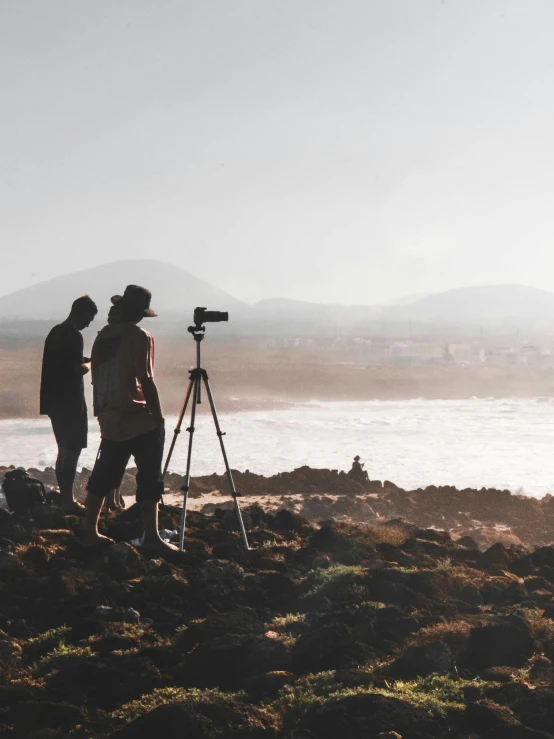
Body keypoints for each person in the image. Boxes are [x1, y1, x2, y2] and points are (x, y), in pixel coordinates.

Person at [83, 285, 176, 551]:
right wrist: (158, 418)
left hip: (110, 417)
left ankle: (90, 531)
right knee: (149, 478)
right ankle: (152, 538)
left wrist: (101, 411)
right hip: (139, 418)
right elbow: (146, 381)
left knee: (102, 476)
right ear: (139, 315)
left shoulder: (102, 336)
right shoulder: (140, 337)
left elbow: (97, 379)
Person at [40, 295, 98, 513]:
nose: (88, 324)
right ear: (82, 313)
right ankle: (68, 501)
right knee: (72, 451)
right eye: (89, 319)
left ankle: (66, 498)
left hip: (54, 402)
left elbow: (62, 362)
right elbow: (75, 369)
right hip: (70, 402)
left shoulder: (55, 332)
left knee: (62, 450)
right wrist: (92, 364)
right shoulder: (74, 335)